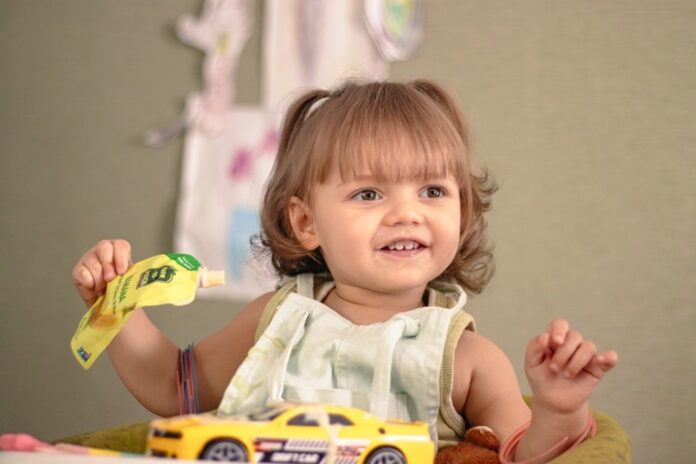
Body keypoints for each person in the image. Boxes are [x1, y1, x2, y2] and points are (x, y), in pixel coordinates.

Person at [72, 80, 618, 462]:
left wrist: (559, 409)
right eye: (369, 193)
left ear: (463, 210)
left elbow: (523, 456)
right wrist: (117, 306)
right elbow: (177, 388)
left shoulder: (468, 357)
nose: (407, 212)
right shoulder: (278, 319)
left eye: (432, 190)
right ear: (306, 222)